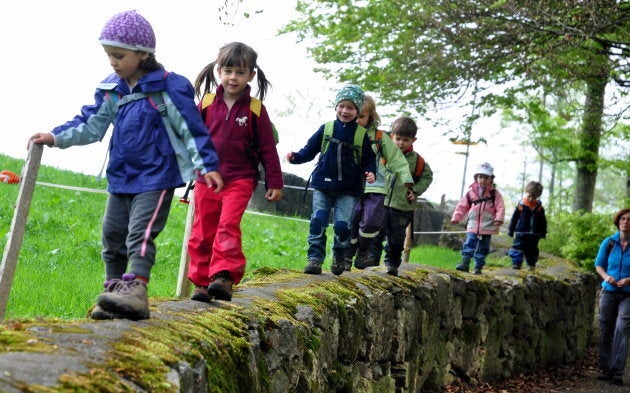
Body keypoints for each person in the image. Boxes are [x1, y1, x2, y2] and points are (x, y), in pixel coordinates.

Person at [29, 10, 223, 320]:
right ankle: (113, 293)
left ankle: (136, 291)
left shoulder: (167, 87)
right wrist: (55, 136)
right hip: (121, 176)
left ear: (143, 54)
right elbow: (91, 123)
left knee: (139, 234)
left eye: (118, 56)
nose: (113, 62)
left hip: (157, 175)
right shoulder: (112, 89)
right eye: (109, 56)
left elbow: (191, 127)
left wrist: (207, 164)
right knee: (112, 235)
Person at [187, 42, 283, 303]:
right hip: (207, 178)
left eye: (240, 73)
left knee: (228, 225)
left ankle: (223, 277)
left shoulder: (256, 109)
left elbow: (267, 150)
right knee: (202, 230)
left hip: (240, 179)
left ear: (251, 75)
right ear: (219, 70)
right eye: (228, 71)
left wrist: (274, 181)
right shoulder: (206, 103)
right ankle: (201, 282)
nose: (233, 77)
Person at [286, 84, 376, 276]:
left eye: (351, 108)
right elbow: (309, 150)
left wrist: (370, 172)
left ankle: (339, 255)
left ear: (357, 110)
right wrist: (296, 157)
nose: (345, 111)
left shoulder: (361, 135)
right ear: (336, 107)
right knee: (318, 221)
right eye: (342, 106)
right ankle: (315, 259)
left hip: (349, 189)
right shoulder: (326, 128)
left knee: (343, 226)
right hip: (322, 185)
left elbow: (369, 159)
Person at [344, 96, 414, 271]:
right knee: (350, 222)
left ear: (370, 117)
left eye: (362, 116)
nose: (358, 119)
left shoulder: (379, 136)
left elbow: (396, 158)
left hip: (375, 186)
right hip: (351, 186)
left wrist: (406, 177)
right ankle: (346, 255)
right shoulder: (344, 132)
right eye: (355, 115)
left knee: (371, 222)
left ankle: (363, 251)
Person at [371, 116, 433, 276]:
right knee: (376, 233)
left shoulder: (418, 162)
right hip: (381, 202)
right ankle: (371, 261)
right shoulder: (383, 154)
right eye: (398, 138)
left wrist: (416, 190)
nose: (401, 143)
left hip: (403, 207)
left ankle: (392, 263)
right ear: (391, 136)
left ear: (413, 140)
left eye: (406, 140)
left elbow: (427, 178)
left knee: (396, 239)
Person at [595, 208, 630, 386]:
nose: (626, 222)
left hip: (628, 295)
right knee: (605, 328)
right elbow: (599, 265)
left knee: (622, 327)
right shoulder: (608, 243)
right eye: (623, 219)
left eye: (629, 219)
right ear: (618, 222)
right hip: (608, 291)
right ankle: (605, 368)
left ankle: (617, 371)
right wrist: (607, 277)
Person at [450, 162, 505, 275]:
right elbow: (462, 206)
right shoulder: (470, 193)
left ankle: (478, 266)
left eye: (486, 177)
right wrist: (456, 217)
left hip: (488, 224)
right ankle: (465, 263)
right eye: (480, 177)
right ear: (476, 178)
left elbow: (500, 207)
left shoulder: (495, 194)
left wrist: (499, 218)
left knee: (483, 247)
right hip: (473, 223)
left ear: (491, 179)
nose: (483, 180)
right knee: (469, 242)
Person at [507, 181, 547, 270]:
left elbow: (543, 221)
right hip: (521, 232)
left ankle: (531, 265)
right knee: (517, 247)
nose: (530, 199)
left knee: (532, 250)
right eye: (529, 196)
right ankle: (516, 264)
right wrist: (511, 230)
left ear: (537, 197)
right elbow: (514, 219)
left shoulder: (539, 208)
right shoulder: (521, 206)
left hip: (534, 234)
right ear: (526, 192)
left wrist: (543, 232)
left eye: (533, 197)